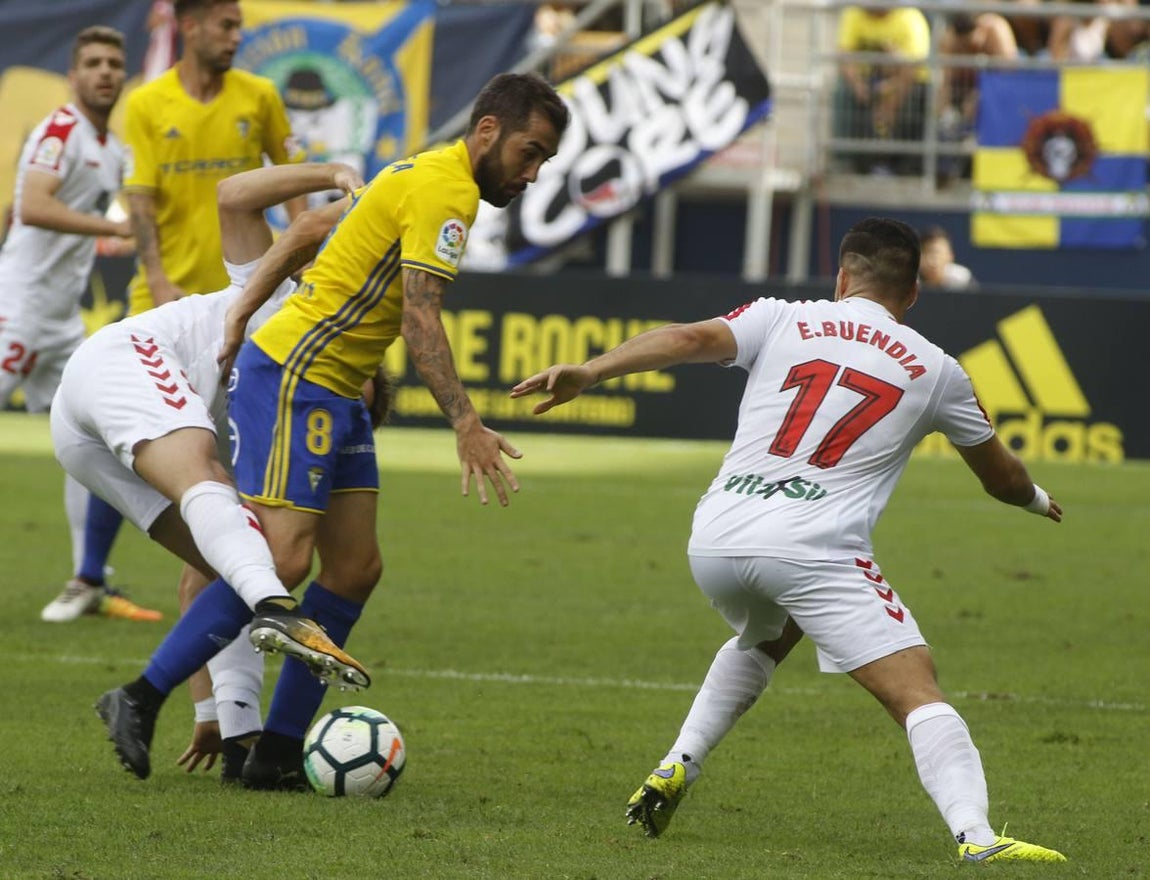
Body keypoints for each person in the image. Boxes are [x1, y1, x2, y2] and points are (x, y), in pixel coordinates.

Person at [510, 217, 1067, 865]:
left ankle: (678, 761)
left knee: (772, 632)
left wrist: (592, 371)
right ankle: (978, 838)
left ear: (841, 276)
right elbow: (1002, 478)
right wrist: (1034, 499)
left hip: (716, 538)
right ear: (914, 292)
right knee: (917, 689)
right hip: (812, 547)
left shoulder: (782, 317)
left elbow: (687, 337)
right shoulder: (938, 370)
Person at [199, 71, 570, 790]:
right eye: (530, 153)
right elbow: (419, 316)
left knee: (354, 568)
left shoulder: (417, 174)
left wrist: (246, 305)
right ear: (487, 131)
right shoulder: (446, 189)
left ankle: (274, 753)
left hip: (334, 388)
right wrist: (465, 421)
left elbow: (313, 229)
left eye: (544, 162)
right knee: (278, 561)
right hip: (298, 373)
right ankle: (147, 693)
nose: (532, 173)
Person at [54, 162, 372, 782]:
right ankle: (279, 608)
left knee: (232, 560)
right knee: (224, 504)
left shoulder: (275, 433)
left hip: (78, 436)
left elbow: (199, 585)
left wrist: (214, 709)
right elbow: (244, 200)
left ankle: (232, 735)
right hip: (124, 359)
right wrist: (338, 178)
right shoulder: (284, 300)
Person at [0, 26, 163, 624]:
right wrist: (114, 229)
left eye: (114, 63)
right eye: (92, 62)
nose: (105, 72)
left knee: (95, 441)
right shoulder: (60, 131)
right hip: (16, 311)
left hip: (61, 323)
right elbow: (33, 204)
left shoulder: (113, 147)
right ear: (73, 75)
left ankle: (88, 579)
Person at [122, 0, 302, 315]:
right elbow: (140, 202)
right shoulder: (144, 103)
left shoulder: (261, 95)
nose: (237, 37)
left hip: (249, 294)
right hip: (169, 295)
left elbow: (295, 177)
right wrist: (156, 281)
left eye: (238, 27)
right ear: (190, 27)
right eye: (226, 26)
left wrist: (303, 252)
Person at [833, 6, 930, 175]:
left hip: (905, 87)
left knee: (915, 103)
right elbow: (844, 56)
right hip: (868, 85)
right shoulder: (854, 14)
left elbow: (913, 68)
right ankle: (851, 162)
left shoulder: (910, 18)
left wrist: (891, 98)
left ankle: (906, 165)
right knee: (844, 93)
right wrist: (859, 87)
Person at [919, 226, 977, 290]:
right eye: (925, 253)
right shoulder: (909, 279)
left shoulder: (962, 279)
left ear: (950, 256)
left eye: (936, 253)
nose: (931, 260)